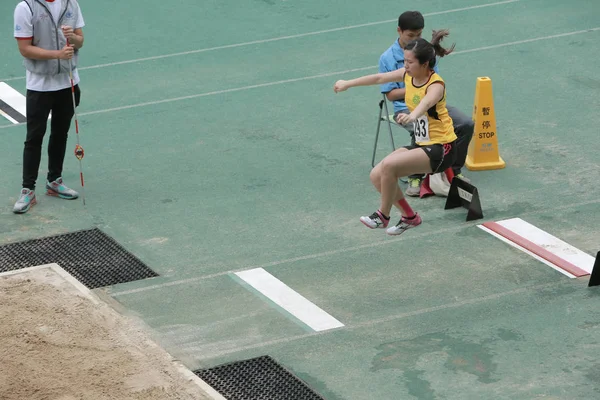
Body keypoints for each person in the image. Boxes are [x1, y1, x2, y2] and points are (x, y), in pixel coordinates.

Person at [334, 31, 457, 235]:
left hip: (442, 148)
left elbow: (426, 102)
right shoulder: (407, 75)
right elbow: (380, 77)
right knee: (377, 175)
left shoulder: (436, 84)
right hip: (423, 145)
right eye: (404, 61)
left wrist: (412, 115)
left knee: (390, 166)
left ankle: (383, 215)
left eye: (409, 62)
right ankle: (410, 217)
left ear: (425, 64)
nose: (405, 65)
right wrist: (348, 83)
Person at [379, 11, 473, 196]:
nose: (415, 39)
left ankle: (453, 170)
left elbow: (431, 82)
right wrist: (416, 88)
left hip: (432, 106)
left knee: (465, 124)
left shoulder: (425, 52)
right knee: (421, 124)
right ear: (399, 31)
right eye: (410, 35)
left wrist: (426, 92)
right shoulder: (388, 58)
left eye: (419, 35)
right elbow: (390, 95)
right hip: (404, 107)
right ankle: (415, 175)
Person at [12, 0, 85, 214]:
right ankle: (28, 190)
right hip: (39, 86)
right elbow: (25, 49)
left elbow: (81, 41)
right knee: (34, 137)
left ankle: (54, 181)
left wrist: (73, 38)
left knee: (60, 134)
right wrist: (57, 55)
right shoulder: (25, 8)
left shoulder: (71, 4)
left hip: (68, 82)